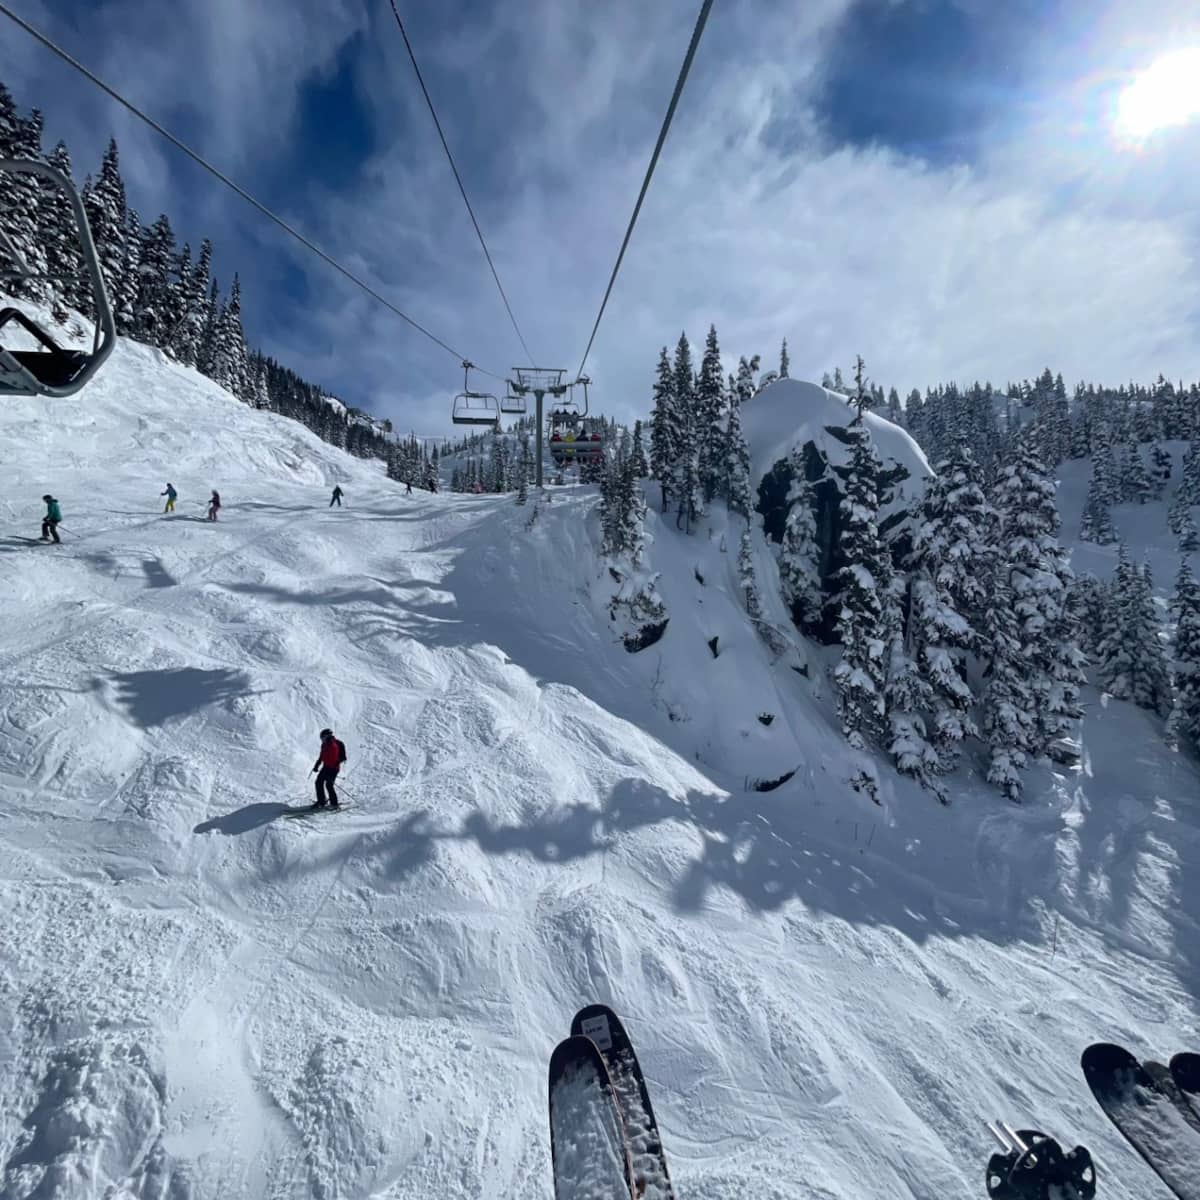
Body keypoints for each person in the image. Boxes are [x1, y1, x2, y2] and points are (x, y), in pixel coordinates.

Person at [310, 728, 347, 809]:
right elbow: (321, 756)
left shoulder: (338, 744)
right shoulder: (324, 745)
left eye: (322, 738)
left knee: (329, 785)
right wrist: (316, 766)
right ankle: (321, 801)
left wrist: (335, 763)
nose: (322, 740)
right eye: (321, 738)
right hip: (326, 767)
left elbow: (343, 757)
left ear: (327, 736)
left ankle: (334, 804)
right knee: (318, 782)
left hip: (333, 768)